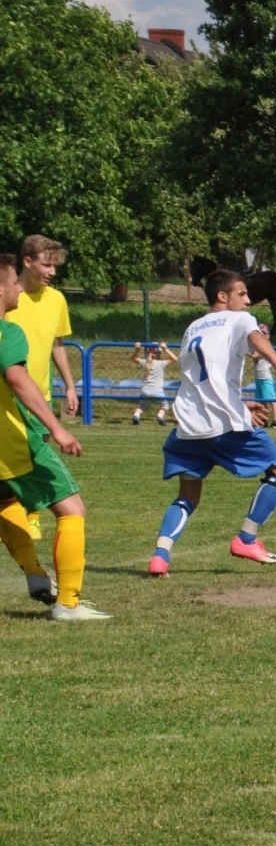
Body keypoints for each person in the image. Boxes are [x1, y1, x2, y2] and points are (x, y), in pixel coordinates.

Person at [148, 269, 276, 578]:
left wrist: (241, 403)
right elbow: (255, 336)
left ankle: (160, 556)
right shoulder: (238, 319)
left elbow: (202, 382)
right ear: (222, 296)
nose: (248, 299)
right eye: (241, 293)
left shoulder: (192, 328)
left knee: (187, 495)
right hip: (224, 425)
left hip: (188, 426)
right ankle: (246, 539)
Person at [0, 254, 108, 620]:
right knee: (71, 508)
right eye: (13, 282)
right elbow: (17, 379)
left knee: (3, 502)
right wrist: (57, 428)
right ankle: (68, 603)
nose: (17, 289)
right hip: (12, 442)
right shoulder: (7, 331)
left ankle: (33, 573)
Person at [10, 235, 79, 540]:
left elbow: (57, 344)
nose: (52, 272)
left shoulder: (57, 299)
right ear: (27, 262)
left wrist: (70, 385)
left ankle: (32, 514)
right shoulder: (9, 297)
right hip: (9, 395)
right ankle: (26, 512)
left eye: (55, 266)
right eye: (46, 265)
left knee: (37, 455)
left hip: (41, 394)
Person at [131, 342, 176, 425]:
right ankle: (160, 415)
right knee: (165, 406)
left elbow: (133, 358)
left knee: (142, 406)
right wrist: (165, 349)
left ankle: (136, 415)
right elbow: (174, 359)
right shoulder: (161, 363)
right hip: (157, 391)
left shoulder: (144, 362)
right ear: (158, 353)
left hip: (145, 390)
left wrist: (137, 350)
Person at [251, 349, 276, 429]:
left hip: (265, 377)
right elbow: (255, 359)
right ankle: (264, 420)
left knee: (271, 399)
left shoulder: (262, 347)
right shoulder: (257, 346)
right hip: (258, 377)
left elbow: (255, 355)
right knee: (261, 400)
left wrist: (243, 352)